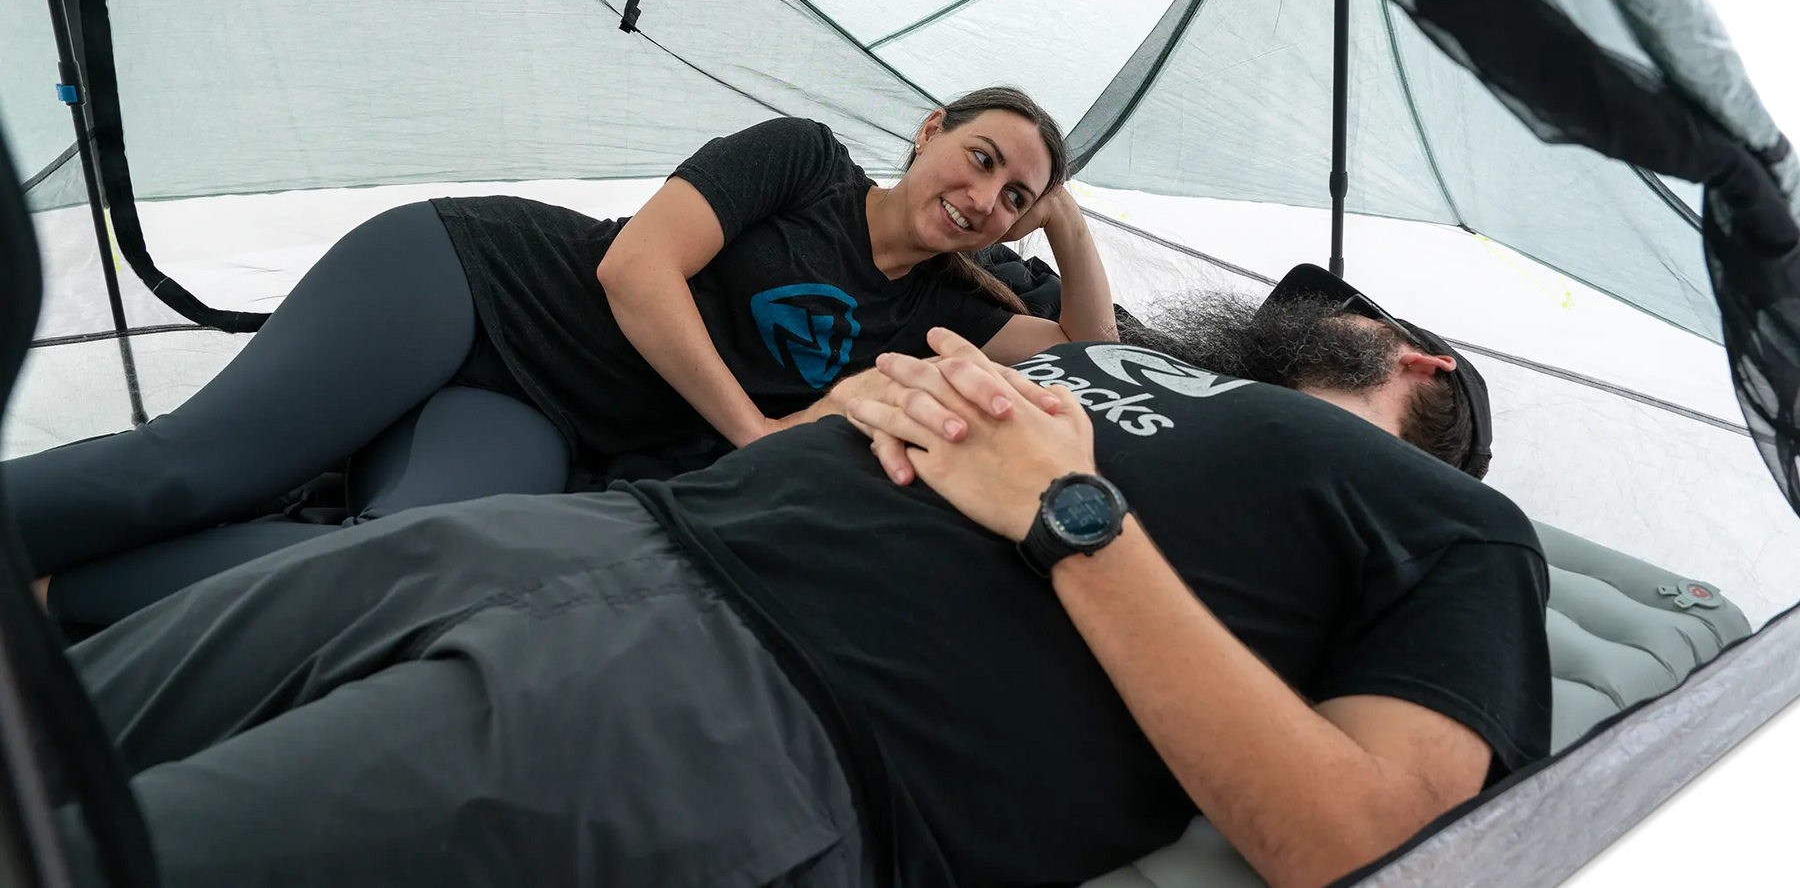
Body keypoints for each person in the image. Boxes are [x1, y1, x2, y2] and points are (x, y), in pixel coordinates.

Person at [49, 266, 1549, 888]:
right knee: (45, 740)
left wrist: (1069, 511)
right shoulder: (1134, 364)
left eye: (1334, 311)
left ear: (1421, 363)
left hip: (744, 718)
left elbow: (1357, 834)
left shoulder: (1457, 526)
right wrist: (858, 404)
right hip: (596, 533)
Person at [7, 85, 1117, 627]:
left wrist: (1066, 221)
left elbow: (1093, 352)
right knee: (194, 467)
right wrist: (758, 431)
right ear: (929, 130)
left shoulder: (940, 305)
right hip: (469, 280)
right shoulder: (805, 161)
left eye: (1013, 195)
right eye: (980, 158)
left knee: (395, 565)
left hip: (540, 409)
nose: (983, 196)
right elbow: (636, 269)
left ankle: (55, 596)